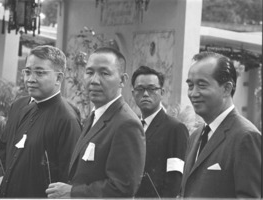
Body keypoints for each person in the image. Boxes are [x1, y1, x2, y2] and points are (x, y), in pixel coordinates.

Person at [45, 47, 146, 198]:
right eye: (90, 72)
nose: (94, 80)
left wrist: (73, 192)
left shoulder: (126, 124)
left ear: (123, 80)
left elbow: (123, 188)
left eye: (104, 73)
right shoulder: (95, 116)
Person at [0, 45, 82, 197]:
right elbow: (2, 147)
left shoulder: (67, 119)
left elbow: (69, 176)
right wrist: (1, 177)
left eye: (40, 73)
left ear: (59, 78)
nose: (30, 79)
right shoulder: (18, 106)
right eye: (27, 72)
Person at [181, 51, 261, 198]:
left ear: (227, 89)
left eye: (202, 85)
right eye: (190, 86)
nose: (193, 93)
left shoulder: (246, 137)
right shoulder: (195, 135)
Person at [131, 66, 189, 198]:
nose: (145, 94)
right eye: (140, 89)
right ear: (133, 92)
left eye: (152, 89)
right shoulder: (132, 126)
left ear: (162, 92)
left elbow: (175, 178)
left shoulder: (175, 128)